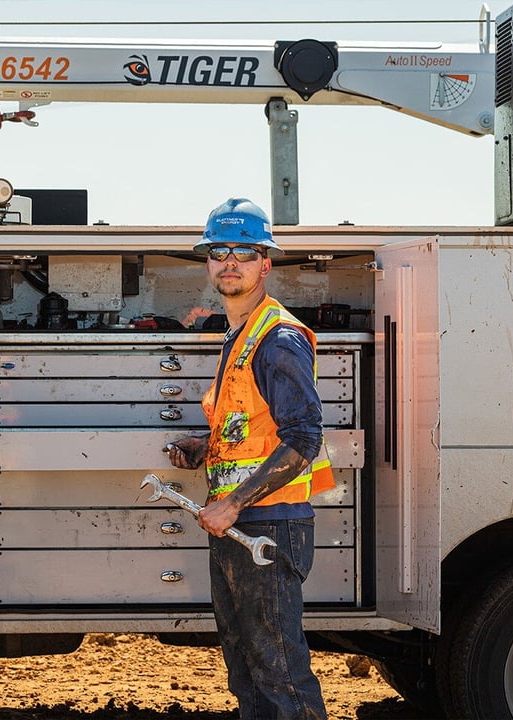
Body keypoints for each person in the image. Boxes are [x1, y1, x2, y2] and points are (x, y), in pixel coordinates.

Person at [166, 198, 334, 720]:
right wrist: (205, 445)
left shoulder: (277, 337)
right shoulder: (238, 333)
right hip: (240, 525)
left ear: (266, 262)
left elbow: (304, 438)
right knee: (247, 669)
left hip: (268, 525)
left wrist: (234, 502)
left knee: (279, 670)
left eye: (244, 250)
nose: (230, 261)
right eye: (219, 251)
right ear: (209, 262)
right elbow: (250, 424)